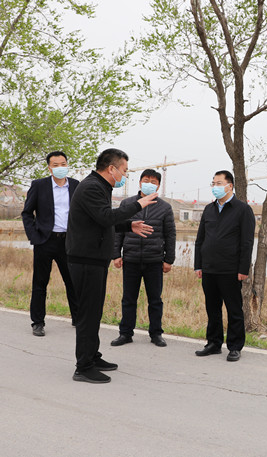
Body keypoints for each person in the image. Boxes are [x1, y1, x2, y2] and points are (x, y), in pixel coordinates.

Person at [66, 148, 158, 384]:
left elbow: (100, 220)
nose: (125, 175)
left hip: (94, 260)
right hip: (85, 261)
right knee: (88, 314)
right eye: (124, 171)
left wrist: (129, 225)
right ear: (111, 168)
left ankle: (92, 356)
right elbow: (106, 217)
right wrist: (138, 204)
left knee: (94, 312)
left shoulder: (99, 186)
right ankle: (83, 367)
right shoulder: (91, 187)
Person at [111, 169, 176, 348]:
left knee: (155, 300)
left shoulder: (164, 207)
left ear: (158, 186)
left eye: (153, 182)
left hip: (154, 260)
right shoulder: (128, 204)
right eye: (146, 180)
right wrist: (116, 254)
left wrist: (169, 260)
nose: (149, 184)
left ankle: (156, 334)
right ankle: (125, 333)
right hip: (130, 258)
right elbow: (118, 231)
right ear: (140, 183)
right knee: (128, 299)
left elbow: (170, 234)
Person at [194, 170, 255, 362]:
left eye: (219, 183)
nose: (215, 187)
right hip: (209, 268)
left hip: (230, 269)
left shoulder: (242, 210)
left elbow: (247, 242)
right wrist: (198, 265)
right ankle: (213, 343)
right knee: (212, 308)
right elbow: (200, 239)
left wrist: (243, 269)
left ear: (230, 186)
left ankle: (235, 347)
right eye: (213, 183)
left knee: (234, 309)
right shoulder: (209, 209)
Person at [21, 151, 79, 336]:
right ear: (49, 168)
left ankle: (78, 318)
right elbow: (27, 213)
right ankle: (38, 322)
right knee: (40, 283)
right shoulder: (39, 185)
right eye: (55, 165)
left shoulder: (76, 186)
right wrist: (34, 236)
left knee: (73, 282)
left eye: (63, 164)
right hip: (45, 241)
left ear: (67, 165)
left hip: (68, 242)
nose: (60, 167)